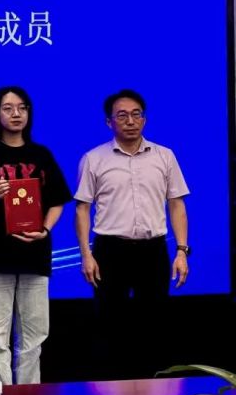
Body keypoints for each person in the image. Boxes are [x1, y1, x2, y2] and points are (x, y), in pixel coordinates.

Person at [75, 89, 189, 379]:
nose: (130, 121)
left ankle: (153, 391)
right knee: (109, 323)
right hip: (110, 251)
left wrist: (181, 251)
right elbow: (82, 209)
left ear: (144, 119)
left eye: (136, 114)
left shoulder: (164, 156)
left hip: (153, 250)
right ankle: (112, 392)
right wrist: (86, 255)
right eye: (122, 115)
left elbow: (176, 204)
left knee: (153, 323)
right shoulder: (93, 159)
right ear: (109, 122)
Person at [0, 86, 71, 385]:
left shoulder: (42, 155)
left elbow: (58, 200)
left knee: (34, 338)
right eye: (8, 108)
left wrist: (45, 229)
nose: (16, 114)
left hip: (35, 257)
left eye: (22, 108)